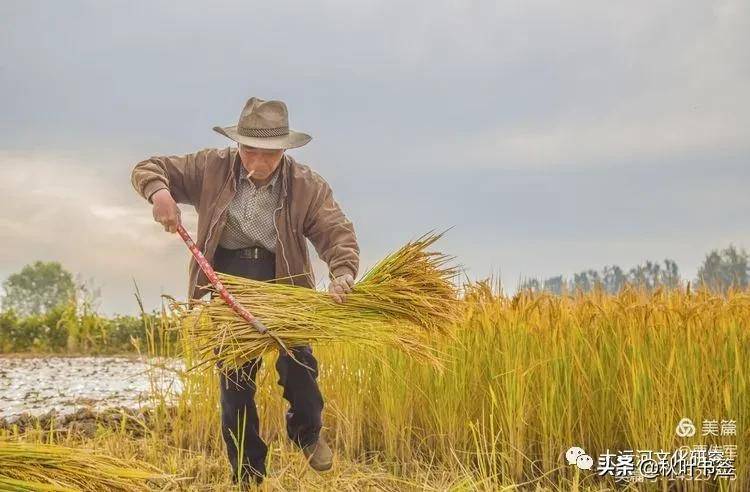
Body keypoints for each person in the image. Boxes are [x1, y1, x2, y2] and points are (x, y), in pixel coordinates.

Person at [130, 96, 360, 485]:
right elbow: (148, 167)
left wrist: (342, 274)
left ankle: (306, 433)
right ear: (238, 143)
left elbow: (336, 234)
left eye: (268, 153)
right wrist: (159, 193)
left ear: (284, 149)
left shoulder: (306, 185)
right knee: (234, 387)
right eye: (249, 149)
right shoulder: (211, 167)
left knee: (300, 367)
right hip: (229, 281)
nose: (256, 161)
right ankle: (248, 476)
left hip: (282, 280)